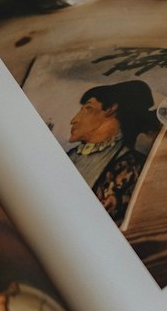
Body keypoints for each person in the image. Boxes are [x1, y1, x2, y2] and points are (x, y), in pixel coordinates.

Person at [67, 79, 156, 225]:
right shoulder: (70, 156)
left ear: (111, 109)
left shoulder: (132, 164)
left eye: (88, 108)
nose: (74, 120)